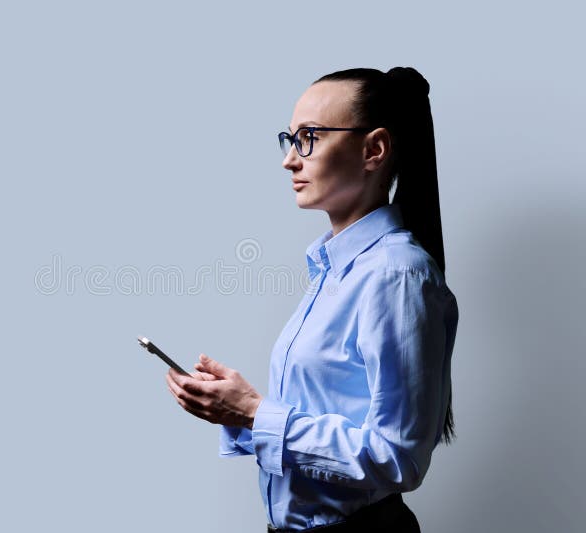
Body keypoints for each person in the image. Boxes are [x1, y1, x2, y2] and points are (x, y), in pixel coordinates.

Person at [165, 67, 459, 532]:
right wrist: (235, 411)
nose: (290, 159)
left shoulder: (396, 275)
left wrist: (255, 412)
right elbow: (324, 421)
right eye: (291, 138)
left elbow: (398, 459)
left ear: (374, 150)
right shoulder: (334, 269)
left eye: (311, 137)